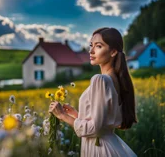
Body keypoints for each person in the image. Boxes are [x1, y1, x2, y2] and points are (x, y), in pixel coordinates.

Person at [49, 27, 137, 157]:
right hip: (108, 144)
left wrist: (63, 116)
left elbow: (95, 129)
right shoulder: (116, 79)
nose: (91, 50)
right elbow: (102, 121)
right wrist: (77, 115)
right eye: (91, 45)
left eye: (98, 46)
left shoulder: (100, 80)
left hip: (99, 149)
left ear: (113, 52)